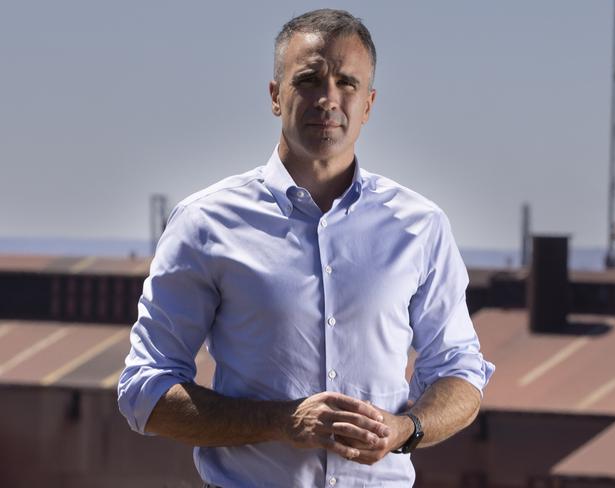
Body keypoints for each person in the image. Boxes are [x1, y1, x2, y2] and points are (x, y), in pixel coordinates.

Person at [118, 8, 494, 488]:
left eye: (347, 83)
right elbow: (144, 391)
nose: (328, 99)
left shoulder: (421, 226)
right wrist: (280, 421)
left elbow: (460, 372)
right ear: (276, 96)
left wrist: (406, 429)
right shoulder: (205, 223)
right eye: (310, 79)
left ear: (370, 103)